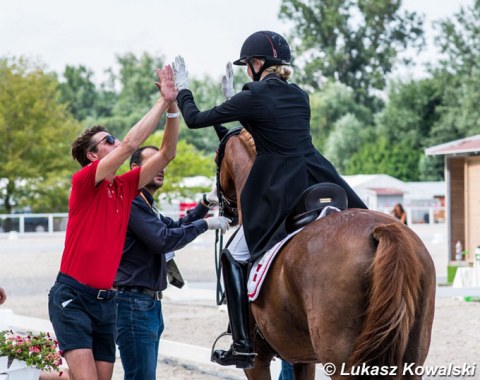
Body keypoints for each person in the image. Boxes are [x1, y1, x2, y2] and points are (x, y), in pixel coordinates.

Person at [171, 31, 368, 368]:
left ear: (257, 64)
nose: (248, 71)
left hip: (276, 189)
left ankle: (243, 343)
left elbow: (195, 119)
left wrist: (183, 89)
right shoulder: (299, 96)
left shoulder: (253, 96)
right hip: (317, 180)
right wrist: (236, 100)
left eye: (249, 65)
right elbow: (265, 127)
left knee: (232, 255)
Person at [48, 65, 179, 380]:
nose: (116, 141)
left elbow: (167, 153)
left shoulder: (124, 188)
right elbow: (131, 145)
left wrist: (173, 109)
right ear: (94, 156)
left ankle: (33, 375)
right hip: (72, 296)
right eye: (108, 140)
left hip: (107, 302)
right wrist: (161, 101)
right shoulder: (84, 182)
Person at [114, 145, 230, 380]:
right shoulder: (132, 203)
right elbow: (162, 239)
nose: (162, 168)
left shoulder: (146, 203)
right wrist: (205, 225)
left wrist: (205, 204)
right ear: (135, 169)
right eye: (155, 163)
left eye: (163, 164)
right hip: (133, 302)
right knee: (141, 376)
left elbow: (173, 228)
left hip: (146, 302)